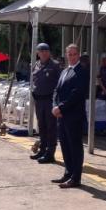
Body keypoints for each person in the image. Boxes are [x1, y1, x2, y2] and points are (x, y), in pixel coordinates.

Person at [52, 44, 89, 188]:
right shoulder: (65, 71)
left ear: (78, 55)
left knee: (75, 146)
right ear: (66, 55)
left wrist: (60, 107)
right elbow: (57, 90)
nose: (72, 57)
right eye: (70, 54)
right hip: (61, 115)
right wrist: (55, 106)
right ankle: (68, 173)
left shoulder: (82, 71)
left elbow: (77, 94)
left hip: (73, 115)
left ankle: (76, 177)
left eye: (74, 54)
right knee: (65, 145)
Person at [31, 43, 61, 163]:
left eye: (46, 50)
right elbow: (34, 81)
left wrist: (56, 102)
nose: (43, 53)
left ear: (49, 52)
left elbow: (59, 85)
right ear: (37, 53)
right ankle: (42, 150)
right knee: (42, 126)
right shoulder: (36, 65)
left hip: (49, 100)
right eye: (41, 51)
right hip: (39, 100)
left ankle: (50, 153)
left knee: (50, 127)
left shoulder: (55, 65)